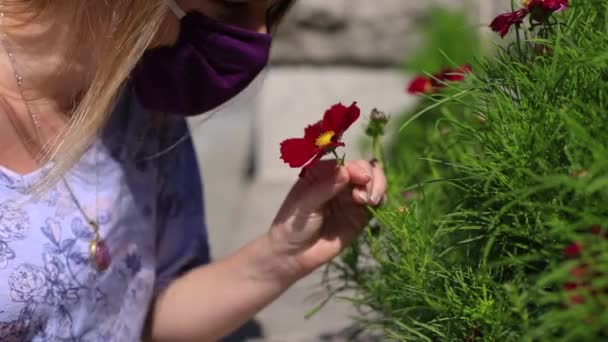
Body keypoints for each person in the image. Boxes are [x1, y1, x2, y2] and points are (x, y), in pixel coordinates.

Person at [0, 0, 387, 341]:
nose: (256, 39)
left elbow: (143, 318)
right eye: (232, 3)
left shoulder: (140, 110)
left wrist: (281, 256)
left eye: (270, 12)